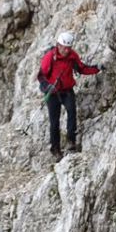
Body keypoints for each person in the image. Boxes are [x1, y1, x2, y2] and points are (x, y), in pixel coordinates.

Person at [37, 31, 101, 161]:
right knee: (54, 122)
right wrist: (47, 87)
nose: (66, 50)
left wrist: (97, 68)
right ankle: (55, 149)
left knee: (72, 113)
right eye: (64, 47)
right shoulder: (50, 57)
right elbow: (41, 76)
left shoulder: (72, 56)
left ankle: (71, 142)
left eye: (68, 48)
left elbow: (81, 69)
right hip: (53, 93)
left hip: (67, 90)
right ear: (58, 45)